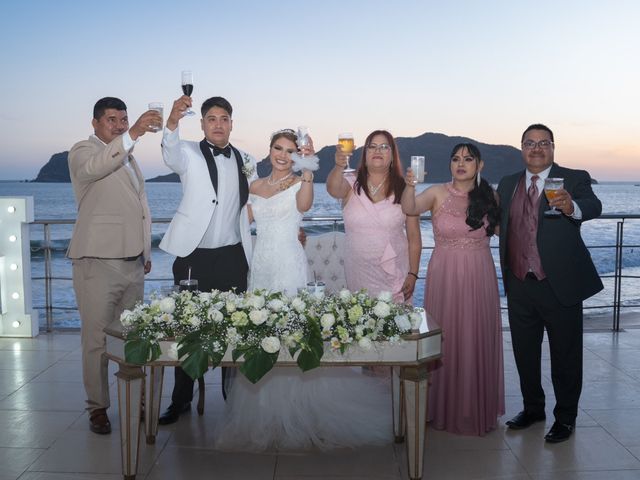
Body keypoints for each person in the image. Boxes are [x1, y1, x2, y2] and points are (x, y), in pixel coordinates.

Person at [213, 129, 392, 451]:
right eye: (278, 148)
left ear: (296, 154)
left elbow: (305, 206)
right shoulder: (253, 186)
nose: (282, 155)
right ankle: (265, 415)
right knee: (261, 335)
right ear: (269, 150)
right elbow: (238, 222)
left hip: (288, 265)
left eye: (289, 150)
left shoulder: (299, 183)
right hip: (261, 267)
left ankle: (302, 413)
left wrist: (308, 171)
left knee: (291, 335)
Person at [498, 124, 603, 443]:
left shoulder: (572, 178)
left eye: (544, 142)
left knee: (566, 355)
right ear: (521, 148)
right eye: (530, 143)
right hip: (519, 284)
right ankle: (533, 409)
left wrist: (572, 207)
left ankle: (566, 417)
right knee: (524, 353)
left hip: (560, 283)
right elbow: (497, 220)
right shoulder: (506, 184)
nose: (537, 148)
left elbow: (594, 206)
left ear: (553, 147)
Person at [158, 95, 257, 425]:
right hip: (193, 256)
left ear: (231, 123)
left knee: (235, 329)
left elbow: (255, 202)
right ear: (202, 124)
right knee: (188, 330)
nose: (218, 123)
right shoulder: (185, 152)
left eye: (224, 118)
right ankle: (181, 400)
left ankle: (234, 399)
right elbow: (169, 150)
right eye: (211, 118)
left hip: (232, 256)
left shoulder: (246, 159)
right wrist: (172, 119)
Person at [401, 143, 505, 436]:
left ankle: (473, 409)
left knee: (475, 334)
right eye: (456, 159)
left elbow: (504, 230)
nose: (461, 164)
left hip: (479, 273)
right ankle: (440, 407)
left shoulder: (490, 196)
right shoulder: (436, 192)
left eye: (468, 159)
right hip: (444, 272)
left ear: (479, 165)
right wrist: (410, 185)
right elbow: (409, 207)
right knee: (445, 337)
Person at [67, 97, 157, 434]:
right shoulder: (82, 151)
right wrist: (132, 134)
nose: (119, 125)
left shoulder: (130, 159)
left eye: (124, 119)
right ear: (95, 123)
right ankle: (98, 407)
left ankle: (139, 399)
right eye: (112, 120)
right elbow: (96, 168)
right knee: (96, 341)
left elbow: (139, 208)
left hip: (133, 264)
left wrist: (146, 253)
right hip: (97, 263)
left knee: (132, 337)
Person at [326, 130, 421, 304]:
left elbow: (414, 238)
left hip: (394, 273)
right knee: (361, 322)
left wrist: (413, 274)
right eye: (372, 146)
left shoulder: (404, 187)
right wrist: (339, 165)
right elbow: (333, 189)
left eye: (384, 147)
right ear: (365, 154)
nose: (378, 151)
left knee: (397, 327)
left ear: (392, 155)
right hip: (359, 273)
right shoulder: (350, 181)